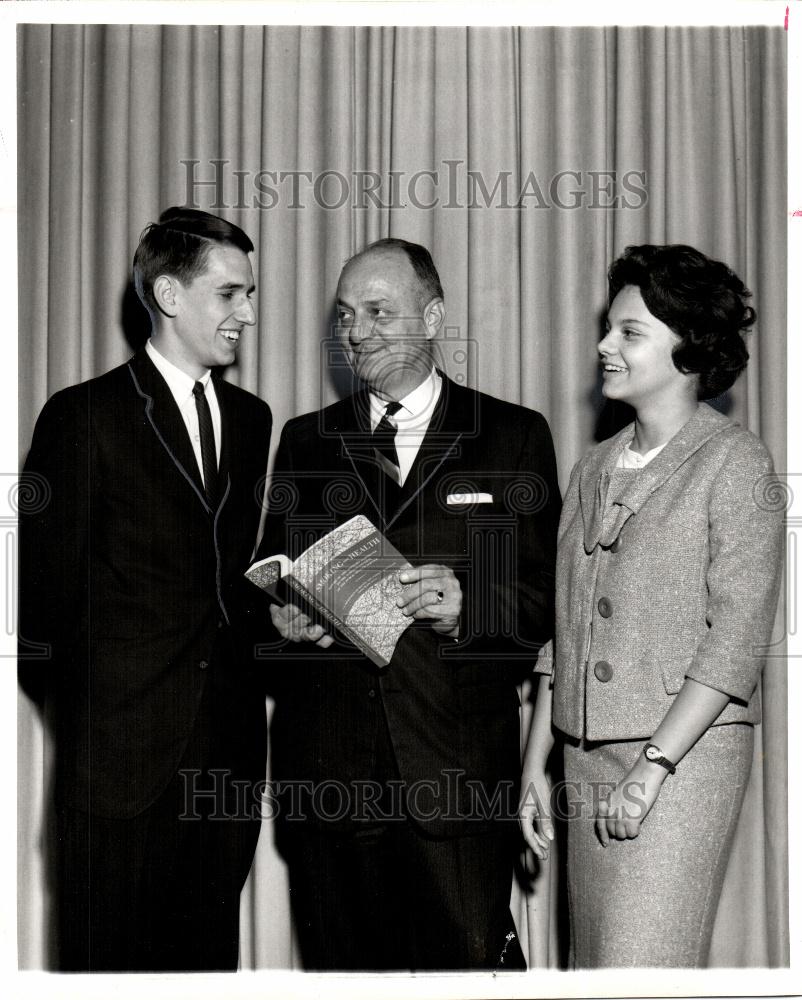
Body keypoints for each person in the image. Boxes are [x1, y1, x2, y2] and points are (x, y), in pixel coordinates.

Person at [258, 237, 561, 970]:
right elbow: (267, 589)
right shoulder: (305, 442)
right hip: (329, 788)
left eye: (377, 311)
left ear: (432, 317)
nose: (356, 331)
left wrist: (469, 606)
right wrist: (283, 621)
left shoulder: (510, 436)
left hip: (455, 786)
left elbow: (546, 608)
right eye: (345, 314)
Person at [19, 208, 272, 971]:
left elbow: (225, 588)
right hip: (117, 774)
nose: (248, 314)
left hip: (224, 766)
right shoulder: (82, 417)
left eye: (250, 294)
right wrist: (108, 713)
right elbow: (37, 608)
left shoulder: (252, 420)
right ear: (168, 294)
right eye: (230, 294)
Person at [519, 244, 784, 968]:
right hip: (584, 760)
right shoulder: (593, 466)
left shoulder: (737, 463)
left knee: (646, 968)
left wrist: (653, 767)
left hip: (680, 764)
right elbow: (564, 633)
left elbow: (735, 641)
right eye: (610, 328)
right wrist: (534, 763)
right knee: (596, 972)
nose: (604, 345)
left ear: (690, 348)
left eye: (629, 333)